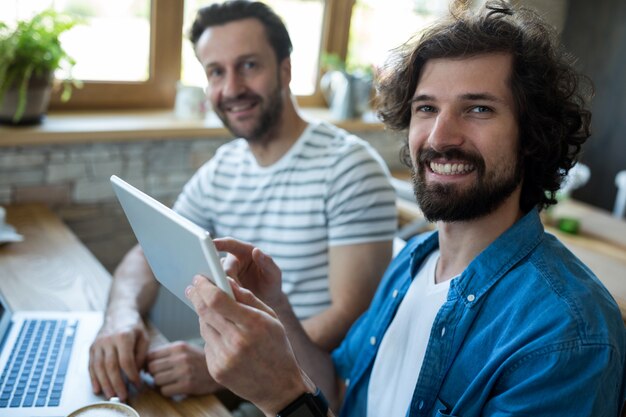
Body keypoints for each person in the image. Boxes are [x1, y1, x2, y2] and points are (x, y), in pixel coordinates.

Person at [185, 1, 626, 416]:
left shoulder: (568, 334)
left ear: (532, 135)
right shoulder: (412, 263)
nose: (439, 136)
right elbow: (339, 391)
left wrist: (283, 398)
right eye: (426, 108)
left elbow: (305, 398)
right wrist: (277, 309)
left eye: (478, 108)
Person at [88, 0, 397, 402]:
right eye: (216, 72)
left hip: (310, 391)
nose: (231, 88)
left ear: (285, 69)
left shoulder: (349, 167)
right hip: (241, 373)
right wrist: (120, 316)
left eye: (249, 65)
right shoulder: (224, 166)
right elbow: (148, 252)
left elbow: (351, 317)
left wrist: (225, 367)